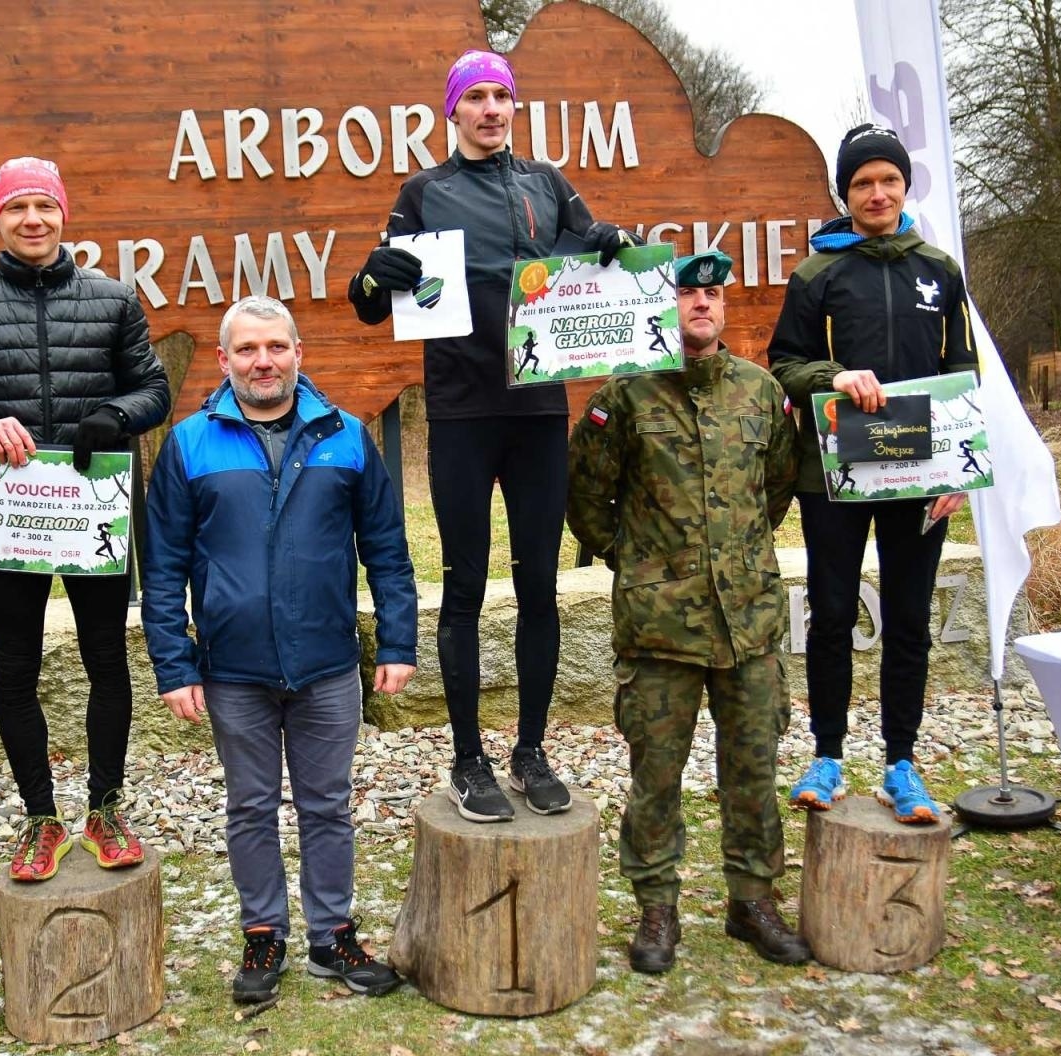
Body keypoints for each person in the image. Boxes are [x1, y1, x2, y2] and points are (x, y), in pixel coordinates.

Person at [348, 49, 636, 822]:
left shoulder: (546, 183)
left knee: (539, 584)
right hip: (464, 413)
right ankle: (469, 760)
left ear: (514, 106)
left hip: (540, 412)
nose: (489, 109)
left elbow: (594, 251)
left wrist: (610, 242)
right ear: (453, 111)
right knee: (468, 589)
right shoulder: (423, 192)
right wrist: (376, 274)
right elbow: (370, 302)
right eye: (474, 97)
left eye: (501, 96)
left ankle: (532, 750)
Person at [142, 296, 417, 1004]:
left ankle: (332, 937)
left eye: (276, 347)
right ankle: (263, 934)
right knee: (250, 807)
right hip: (233, 671)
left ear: (298, 353)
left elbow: (387, 549)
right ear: (225, 359)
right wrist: (174, 663)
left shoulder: (348, 437)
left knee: (327, 805)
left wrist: (397, 640)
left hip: (326, 664)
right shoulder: (189, 444)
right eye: (247, 350)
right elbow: (163, 564)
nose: (262, 361)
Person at [0, 156, 172, 880]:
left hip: (92, 506)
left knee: (106, 661)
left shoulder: (113, 299)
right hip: (8, 514)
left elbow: (155, 389)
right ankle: (39, 817)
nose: (33, 219)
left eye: (44, 207)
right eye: (18, 207)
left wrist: (113, 415)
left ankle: (106, 806)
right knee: (16, 669)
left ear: (64, 215)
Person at [567, 252, 811, 974]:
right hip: (660, 628)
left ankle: (752, 900)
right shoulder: (628, 393)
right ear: (663, 305)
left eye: (711, 294)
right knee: (657, 774)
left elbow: (777, 487)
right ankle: (656, 906)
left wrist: (732, 560)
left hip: (750, 621)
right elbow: (585, 495)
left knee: (753, 767)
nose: (701, 305)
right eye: (686, 294)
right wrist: (633, 558)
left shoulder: (761, 392)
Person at [768, 124, 979, 824]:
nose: (877, 192)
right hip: (834, 472)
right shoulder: (816, 274)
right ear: (845, 193)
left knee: (910, 619)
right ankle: (827, 754)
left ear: (904, 187)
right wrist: (835, 375)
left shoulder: (940, 270)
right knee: (830, 615)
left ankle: (901, 763)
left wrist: (960, 466)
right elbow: (784, 365)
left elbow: (962, 371)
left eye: (888, 179)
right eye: (862, 182)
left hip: (920, 470)